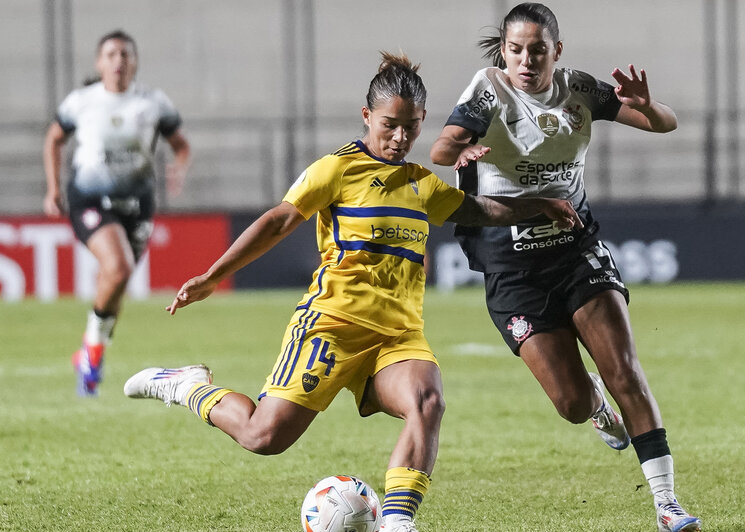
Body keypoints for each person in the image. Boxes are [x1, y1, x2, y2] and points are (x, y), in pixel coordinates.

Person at [122, 52, 580, 532]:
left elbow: (479, 210)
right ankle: (190, 386)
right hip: (332, 326)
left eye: (412, 126)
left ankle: (399, 522)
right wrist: (214, 275)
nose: (401, 137)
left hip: (397, 336)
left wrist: (539, 204)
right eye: (390, 124)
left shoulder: (420, 184)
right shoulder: (336, 170)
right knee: (263, 436)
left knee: (427, 401)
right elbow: (279, 220)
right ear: (367, 117)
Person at [430, 3, 700, 532]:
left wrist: (648, 106)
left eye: (537, 49)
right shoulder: (489, 89)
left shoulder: (579, 89)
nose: (526, 60)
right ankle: (596, 405)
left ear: (557, 50)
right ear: (503, 52)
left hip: (576, 250)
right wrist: (459, 154)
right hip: (511, 269)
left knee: (625, 369)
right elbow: (442, 147)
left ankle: (667, 504)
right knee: (572, 403)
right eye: (515, 50)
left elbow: (664, 124)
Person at [42, 30, 191, 396]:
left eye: (125, 54)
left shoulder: (153, 103)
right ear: (99, 63)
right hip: (89, 200)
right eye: (111, 54)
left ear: (135, 62)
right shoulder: (82, 102)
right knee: (119, 267)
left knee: (116, 280)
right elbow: (54, 139)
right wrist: (53, 188)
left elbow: (180, 144)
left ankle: (91, 351)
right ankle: (93, 354)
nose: (118, 61)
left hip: (137, 206)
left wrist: (179, 167)